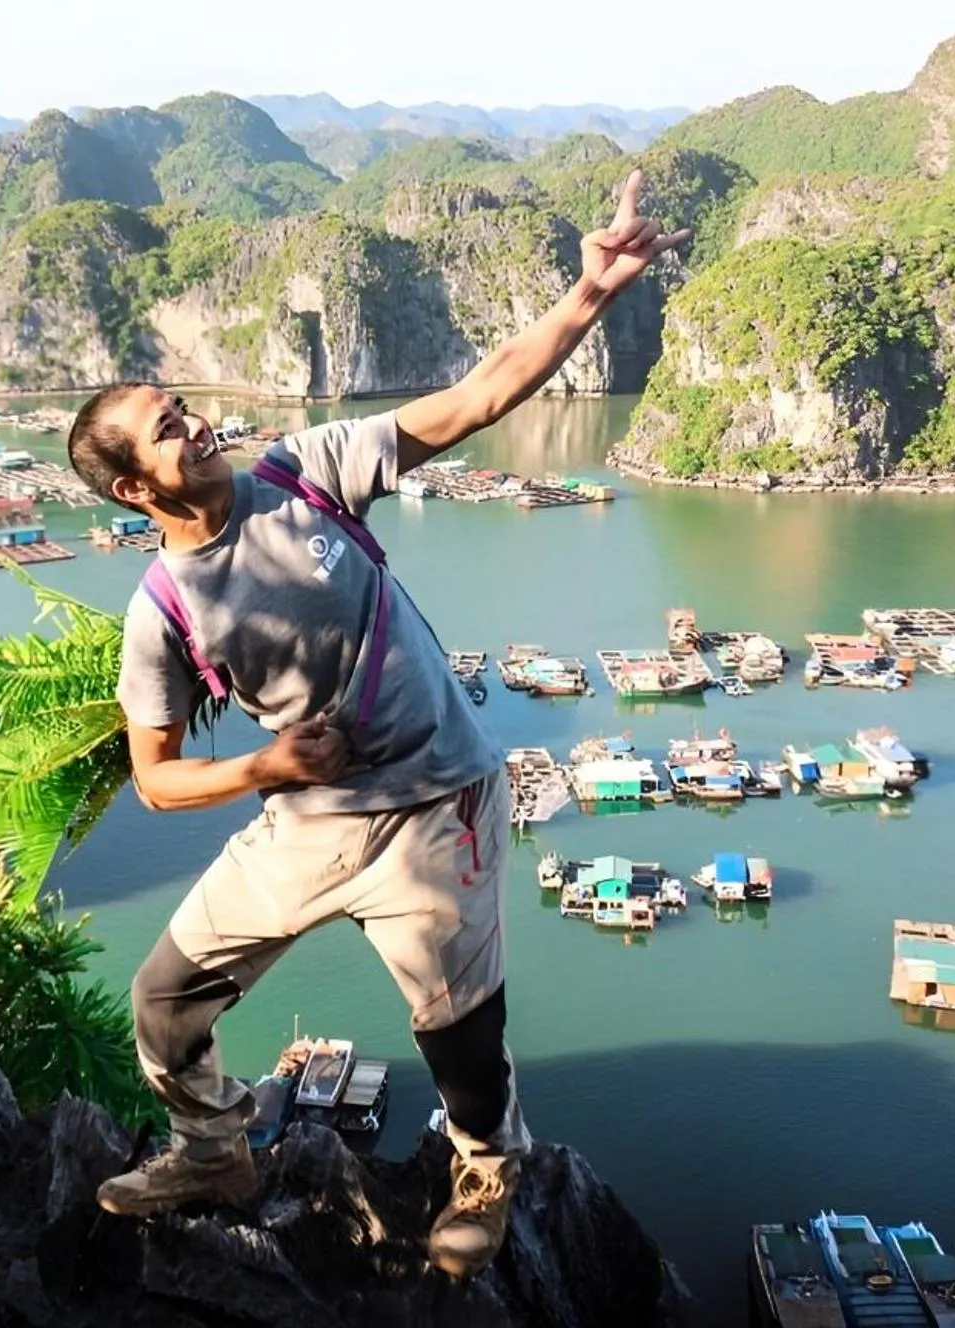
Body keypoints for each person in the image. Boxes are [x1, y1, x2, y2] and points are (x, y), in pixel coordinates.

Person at [66, 171, 687, 1279]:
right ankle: (212, 1147)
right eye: (168, 431)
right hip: (308, 819)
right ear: (132, 488)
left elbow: (479, 397)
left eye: (185, 410)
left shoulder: (301, 476)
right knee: (163, 1000)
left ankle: (486, 1166)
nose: (197, 425)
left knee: (461, 1033)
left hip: (436, 801)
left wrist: (591, 293)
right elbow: (157, 780)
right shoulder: (159, 615)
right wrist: (266, 763)